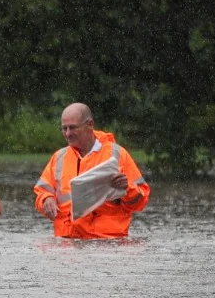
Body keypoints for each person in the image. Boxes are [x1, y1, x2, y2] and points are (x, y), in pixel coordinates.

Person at [34, 102, 149, 239]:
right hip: (68, 243)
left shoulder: (117, 154)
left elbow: (140, 202)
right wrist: (46, 199)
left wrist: (127, 188)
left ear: (90, 124)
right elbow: (41, 192)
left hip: (107, 243)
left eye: (73, 128)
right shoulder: (59, 157)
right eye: (64, 128)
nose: (68, 134)